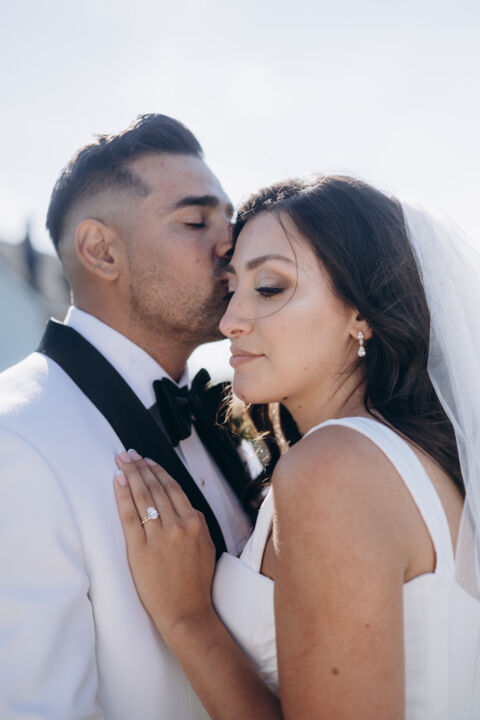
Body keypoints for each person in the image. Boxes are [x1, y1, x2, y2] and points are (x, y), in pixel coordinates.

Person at [114, 175, 480, 719]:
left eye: (269, 288)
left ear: (361, 312)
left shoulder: (334, 468)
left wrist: (189, 621)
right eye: (232, 289)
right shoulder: (418, 459)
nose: (230, 322)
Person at [0, 114, 257, 719]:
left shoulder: (223, 416)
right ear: (101, 250)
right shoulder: (16, 439)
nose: (232, 244)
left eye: (229, 221)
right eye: (195, 222)